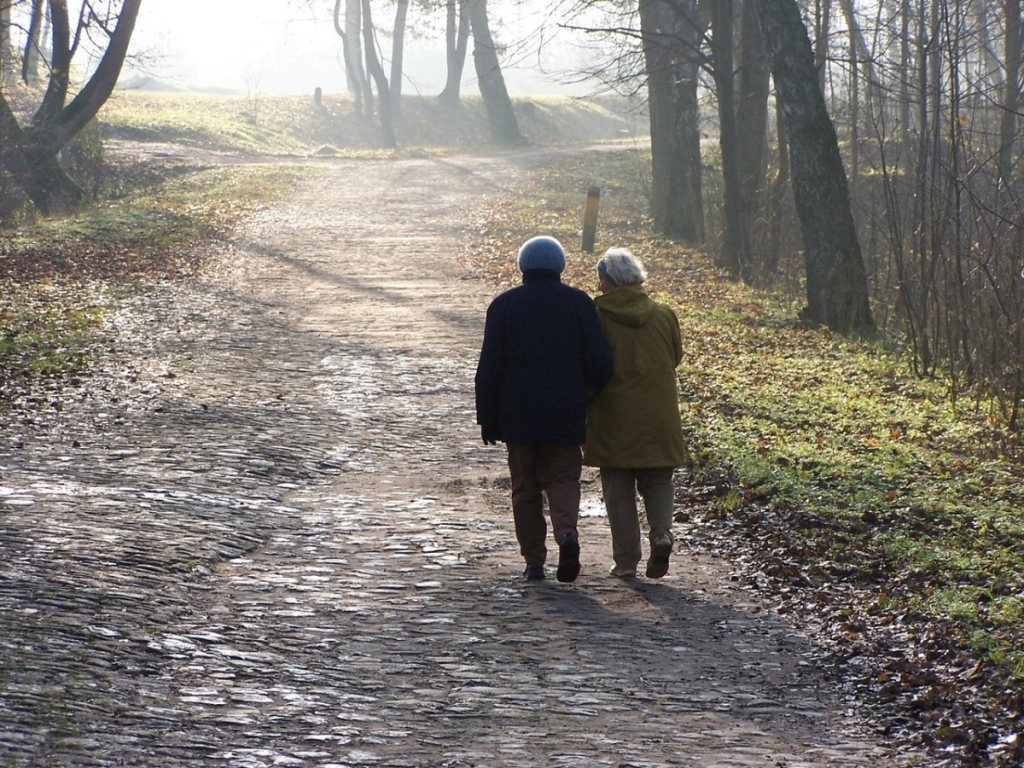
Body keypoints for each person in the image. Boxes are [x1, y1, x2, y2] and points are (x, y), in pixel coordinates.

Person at [476, 236, 614, 582]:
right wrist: (587, 394)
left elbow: (489, 367)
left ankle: (534, 561)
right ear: (560, 266)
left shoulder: (504, 305)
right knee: (564, 479)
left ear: (523, 266)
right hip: (565, 410)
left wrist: (487, 419)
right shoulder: (579, 304)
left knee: (525, 488)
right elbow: (599, 363)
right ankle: (567, 534)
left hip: (518, 415)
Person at [584, 247, 688, 579]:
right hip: (660, 413)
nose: (598, 286)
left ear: (609, 281)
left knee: (618, 487)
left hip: (614, 414)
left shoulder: (597, 316)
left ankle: (626, 561)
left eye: (601, 279)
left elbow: (591, 365)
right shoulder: (664, 313)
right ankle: (661, 533)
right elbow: (676, 356)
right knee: (658, 479)